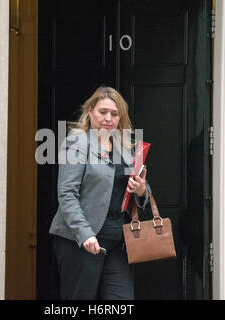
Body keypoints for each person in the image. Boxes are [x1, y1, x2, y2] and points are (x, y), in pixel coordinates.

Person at [49, 86, 151, 300]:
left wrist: (141, 190)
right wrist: (85, 234)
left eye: (114, 114)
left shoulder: (126, 147)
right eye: (102, 111)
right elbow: (67, 194)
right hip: (83, 240)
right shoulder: (76, 144)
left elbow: (141, 188)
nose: (108, 118)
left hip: (119, 241)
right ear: (90, 111)